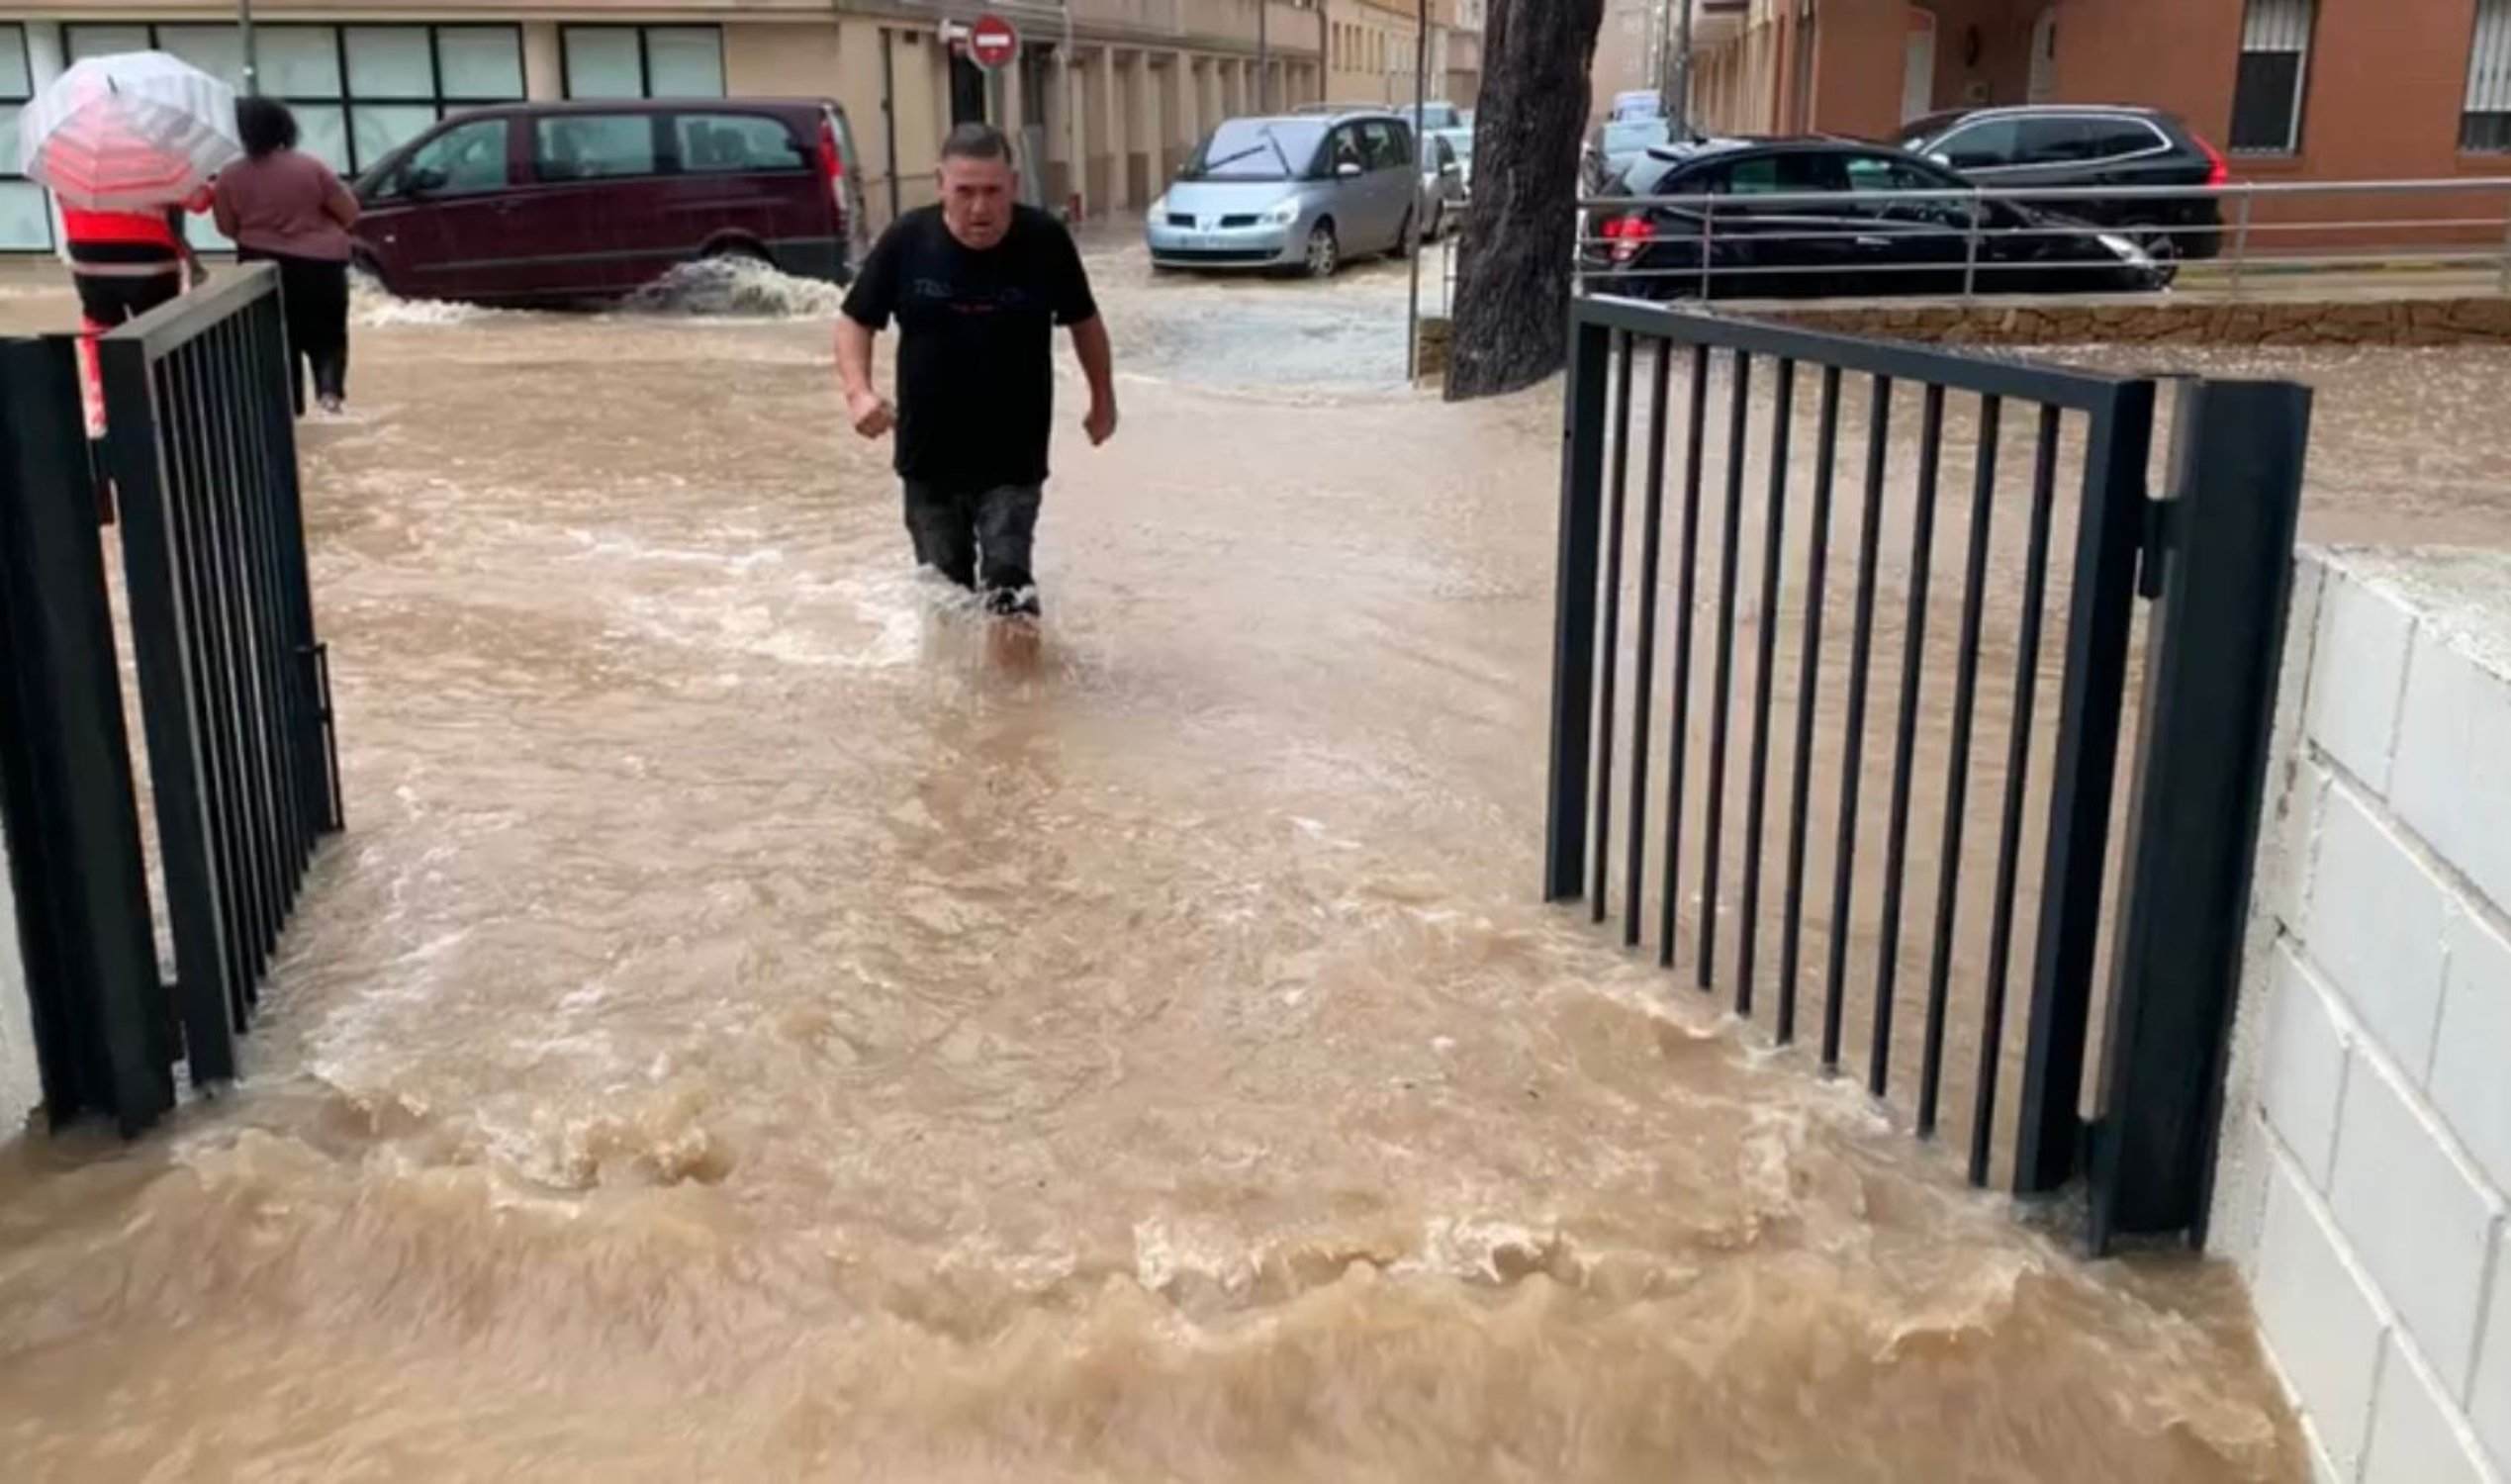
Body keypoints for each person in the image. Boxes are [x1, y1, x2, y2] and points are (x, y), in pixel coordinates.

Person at [837, 124, 1116, 618]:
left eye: (992, 191)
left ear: (1013, 185)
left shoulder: (1044, 241)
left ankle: (1019, 696)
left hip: (1013, 454)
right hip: (928, 456)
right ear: (941, 184)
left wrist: (1103, 398)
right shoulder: (907, 240)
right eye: (965, 192)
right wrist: (859, 392)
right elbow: (856, 320)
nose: (980, 208)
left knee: (1010, 589)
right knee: (946, 598)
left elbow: (1084, 322)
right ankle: (957, 697)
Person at [215, 97, 359, 417]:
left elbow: (226, 228)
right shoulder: (312, 167)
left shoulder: (228, 176)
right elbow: (349, 213)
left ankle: (290, 412)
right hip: (321, 266)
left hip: (260, 269)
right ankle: (329, 396)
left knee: (278, 343)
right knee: (329, 337)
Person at [60, 190, 210, 438]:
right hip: (150, 259)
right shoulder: (152, 160)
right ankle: (168, 405)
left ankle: (105, 405)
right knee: (159, 331)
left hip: (89, 259)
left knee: (101, 328)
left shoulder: (73, 163)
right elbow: (200, 201)